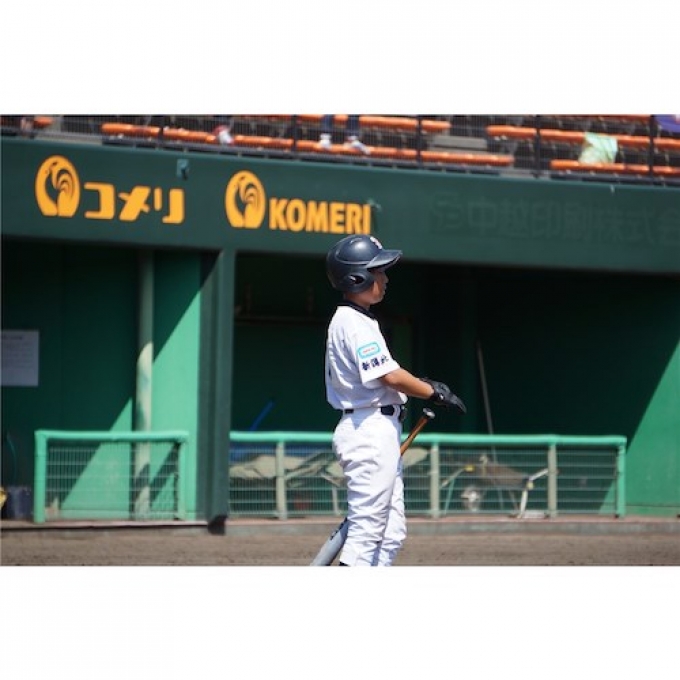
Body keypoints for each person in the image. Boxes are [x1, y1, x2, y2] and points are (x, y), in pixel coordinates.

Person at [324, 234, 466, 566]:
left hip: (376, 427)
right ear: (356, 277)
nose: (385, 278)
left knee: (390, 533)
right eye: (378, 271)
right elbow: (389, 376)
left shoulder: (357, 319)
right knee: (367, 532)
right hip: (368, 430)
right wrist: (433, 391)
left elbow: (389, 374)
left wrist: (423, 385)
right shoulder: (353, 322)